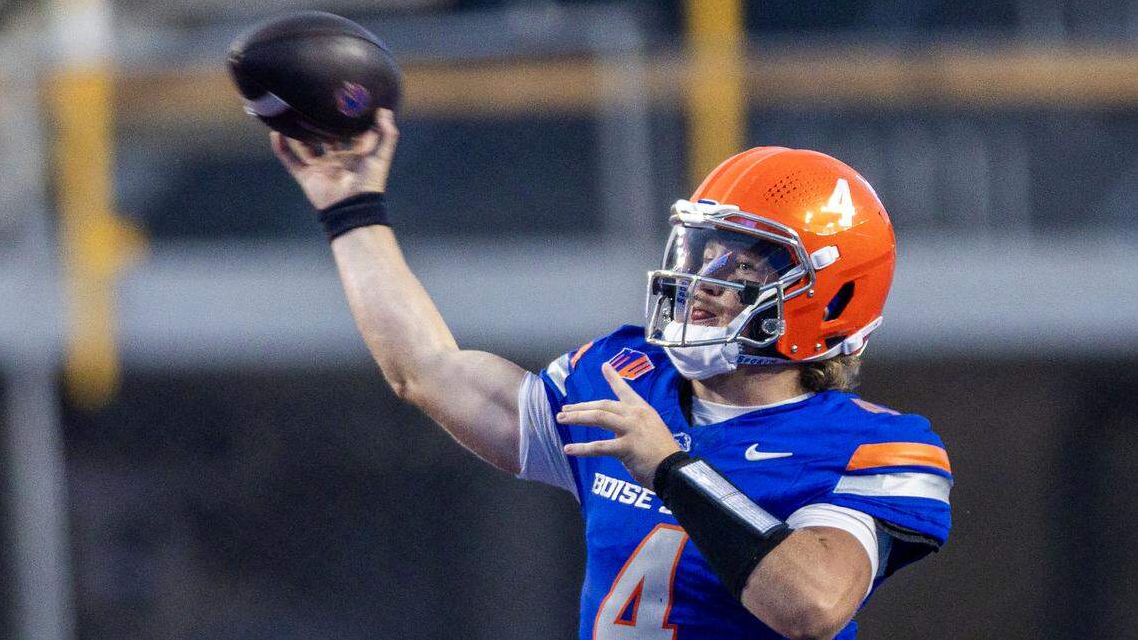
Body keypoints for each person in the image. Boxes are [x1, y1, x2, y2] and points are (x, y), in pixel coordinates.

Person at [270, 110, 952, 640]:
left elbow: (811, 605)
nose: (704, 283)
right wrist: (350, 208)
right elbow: (428, 370)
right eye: (705, 254)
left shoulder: (869, 446)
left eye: (743, 268)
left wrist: (673, 469)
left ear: (829, 298)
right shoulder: (629, 375)